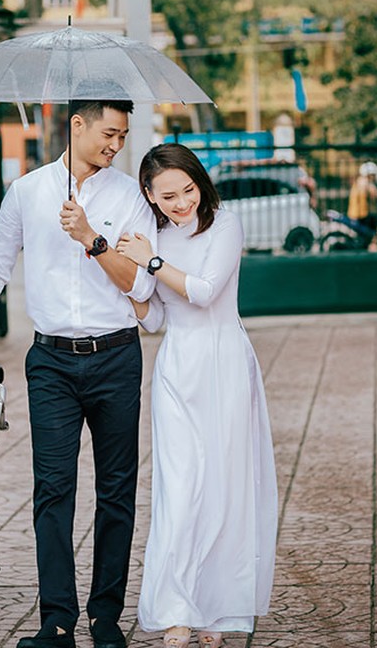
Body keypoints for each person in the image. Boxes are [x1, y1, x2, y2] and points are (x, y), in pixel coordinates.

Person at [0, 99, 158, 648]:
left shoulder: (129, 195)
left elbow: (138, 285)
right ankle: (57, 621)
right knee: (53, 491)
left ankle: (106, 618)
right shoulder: (28, 192)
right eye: (109, 132)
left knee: (116, 491)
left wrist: (91, 237)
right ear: (78, 125)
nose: (116, 144)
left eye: (124, 135)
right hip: (51, 363)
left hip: (115, 355)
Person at [116, 143, 278, 648]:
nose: (182, 202)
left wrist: (152, 260)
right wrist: (132, 293)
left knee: (225, 487)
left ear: (199, 183)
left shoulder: (224, 225)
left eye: (187, 190)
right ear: (149, 196)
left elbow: (205, 291)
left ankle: (218, 609)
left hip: (224, 363)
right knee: (180, 488)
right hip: (177, 369)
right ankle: (177, 610)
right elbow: (162, 319)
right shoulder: (154, 239)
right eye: (168, 196)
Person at [347, 161, 377, 251]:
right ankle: (374, 243)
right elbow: (376, 193)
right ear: (368, 174)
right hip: (360, 215)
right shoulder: (364, 182)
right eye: (373, 174)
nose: (374, 177)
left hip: (357, 213)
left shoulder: (359, 181)